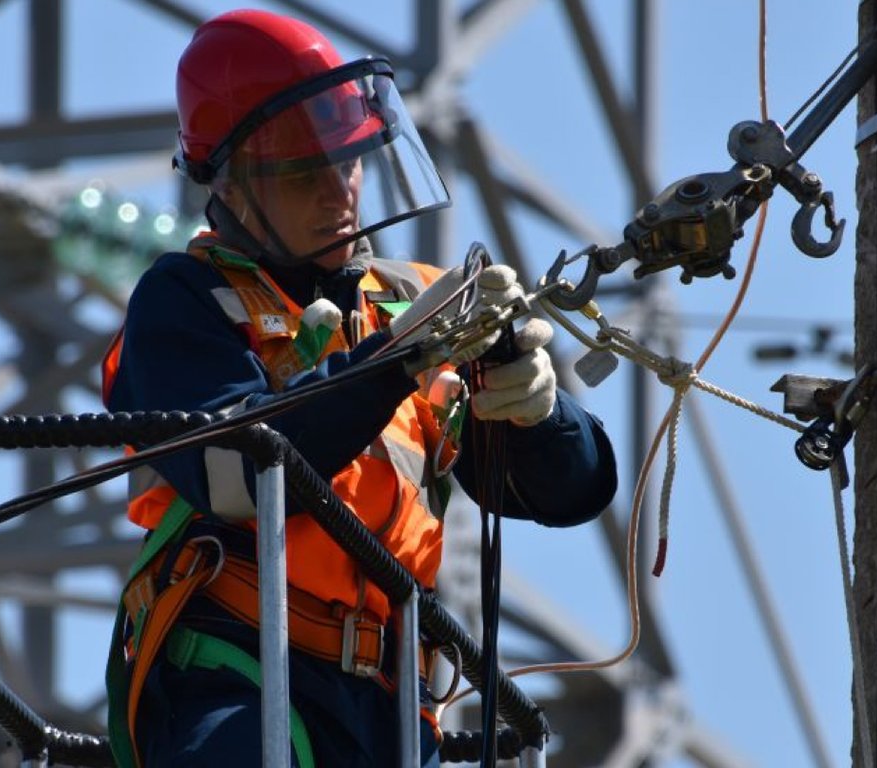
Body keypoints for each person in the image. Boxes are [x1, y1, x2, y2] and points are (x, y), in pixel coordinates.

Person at [100, 9, 617, 768]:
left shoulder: (414, 301)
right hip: (240, 664)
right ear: (234, 185)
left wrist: (539, 410)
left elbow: (570, 493)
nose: (341, 191)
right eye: (307, 170)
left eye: (349, 161)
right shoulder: (185, 301)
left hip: (392, 706)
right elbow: (236, 471)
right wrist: (391, 363)